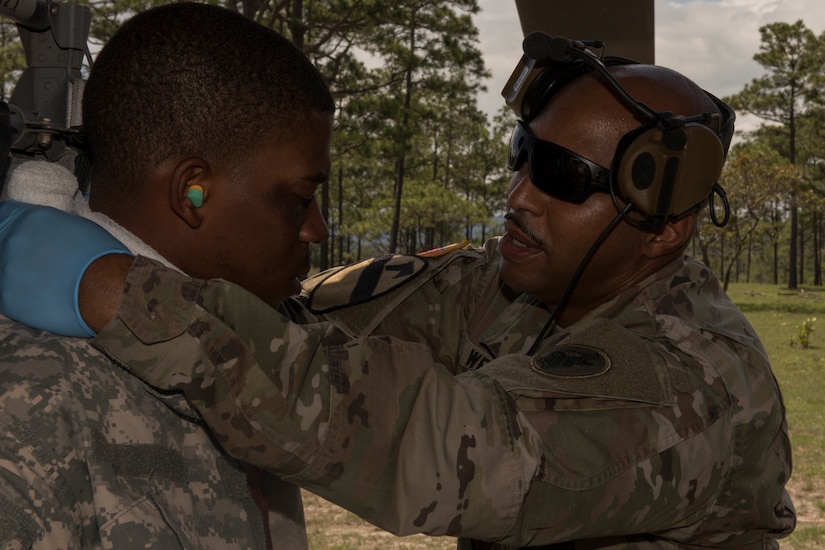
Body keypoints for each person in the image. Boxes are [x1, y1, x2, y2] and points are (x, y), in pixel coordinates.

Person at [0, 37, 796, 549]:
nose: (519, 195)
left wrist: (116, 288)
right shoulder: (496, 286)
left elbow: (439, 448)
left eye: (561, 177)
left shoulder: (687, 384)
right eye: (524, 155)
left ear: (664, 231)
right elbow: (297, 311)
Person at [0, 2, 335, 548]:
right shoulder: (30, 402)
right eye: (301, 199)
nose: (317, 230)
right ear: (192, 193)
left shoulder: (243, 345)